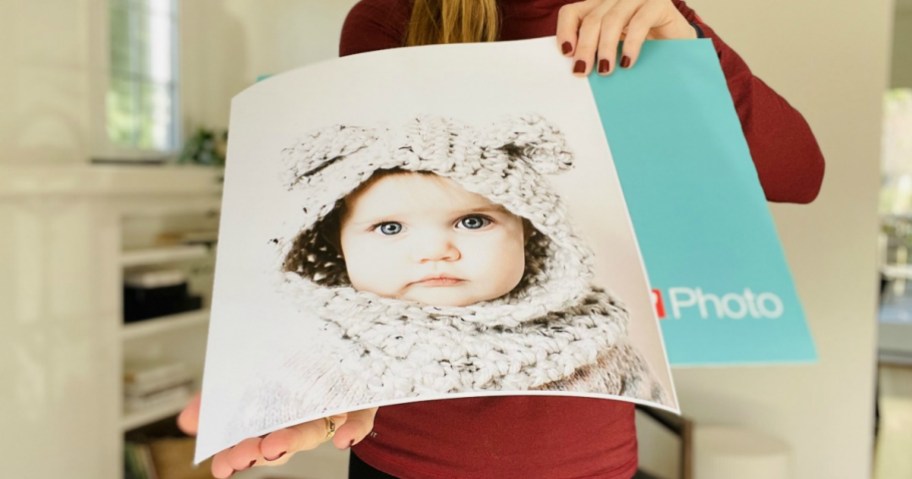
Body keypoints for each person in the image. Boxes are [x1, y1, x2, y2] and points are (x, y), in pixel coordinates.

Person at [179, 1, 825, 477]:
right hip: (403, 460)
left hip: (589, 464)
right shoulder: (384, 22)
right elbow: (381, 244)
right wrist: (323, 382)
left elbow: (799, 170)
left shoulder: (635, 14)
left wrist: (685, 46)